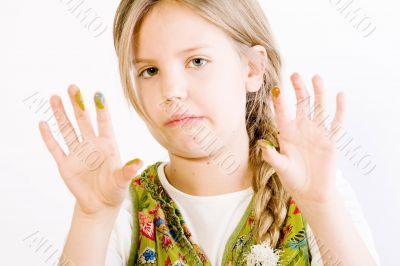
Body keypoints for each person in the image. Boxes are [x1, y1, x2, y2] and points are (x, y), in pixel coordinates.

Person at [38, 0, 381, 265]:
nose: (171, 90)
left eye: (196, 62)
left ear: (252, 68)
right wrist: (92, 218)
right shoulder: (121, 207)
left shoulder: (315, 191)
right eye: (150, 70)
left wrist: (321, 206)